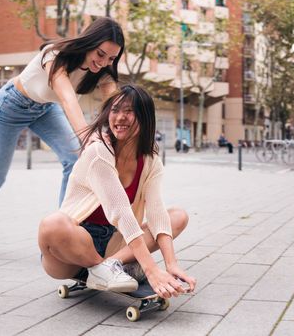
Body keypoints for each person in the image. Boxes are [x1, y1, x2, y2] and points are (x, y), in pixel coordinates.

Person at [0, 17, 125, 257]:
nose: (104, 62)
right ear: (89, 41)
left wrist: (120, 129)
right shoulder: (54, 54)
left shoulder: (102, 70)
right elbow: (66, 98)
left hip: (45, 109)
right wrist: (89, 137)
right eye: (100, 54)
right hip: (11, 105)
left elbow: (113, 100)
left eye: (111, 59)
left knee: (74, 161)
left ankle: (66, 229)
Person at [38, 84, 196, 298]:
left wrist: (171, 264)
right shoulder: (99, 151)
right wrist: (150, 269)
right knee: (52, 224)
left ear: (144, 117)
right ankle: (106, 268)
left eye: (129, 111)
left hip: (116, 242)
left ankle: (111, 266)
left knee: (177, 216)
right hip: (73, 248)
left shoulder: (150, 160)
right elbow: (120, 211)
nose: (120, 117)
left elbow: (157, 212)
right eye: (115, 110)